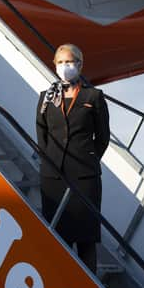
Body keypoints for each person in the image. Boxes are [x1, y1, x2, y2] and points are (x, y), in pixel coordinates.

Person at [36, 44, 110, 273]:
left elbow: (103, 137)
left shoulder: (93, 96)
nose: (64, 67)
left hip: (84, 175)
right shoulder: (45, 98)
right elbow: (42, 134)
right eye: (60, 62)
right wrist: (51, 160)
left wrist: (87, 158)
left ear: (79, 64)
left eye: (69, 62)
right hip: (54, 176)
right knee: (59, 237)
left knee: (86, 237)